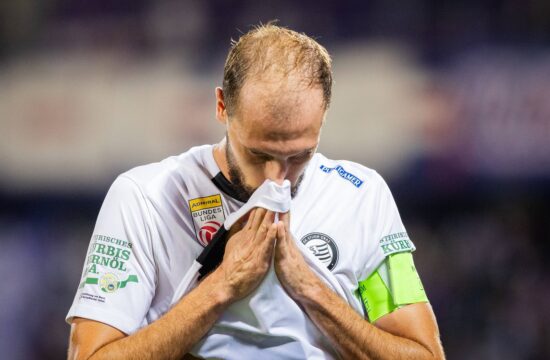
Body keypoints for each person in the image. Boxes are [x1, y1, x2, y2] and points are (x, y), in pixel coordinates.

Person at [67, 24, 445, 359]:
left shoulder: (361, 197)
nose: (276, 178)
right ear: (221, 107)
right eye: (258, 153)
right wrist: (223, 285)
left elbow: (424, 355)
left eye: (300, 156)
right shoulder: (143, 197)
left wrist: (310, 287)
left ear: (324, 117)